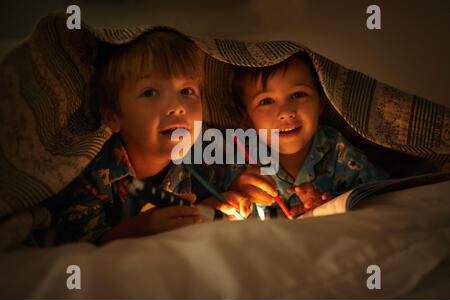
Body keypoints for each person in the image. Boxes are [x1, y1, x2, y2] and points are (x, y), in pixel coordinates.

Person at [43, 30, 249, 245]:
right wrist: (138, 230)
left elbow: (236, 181)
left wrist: (230, 193)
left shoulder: (207, 152)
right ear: (113, 116)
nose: (177, 107)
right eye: (150, 92)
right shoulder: (90, 175)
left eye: (187, 91)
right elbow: (75, 247)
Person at [229, 52, 388, 217]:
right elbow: (217, 209)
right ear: (246, 116)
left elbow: (384, 197)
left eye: (298, 95)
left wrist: (330, 206)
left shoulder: (339, 151)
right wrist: (236, 193)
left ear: (321, 102)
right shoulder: (240, 159)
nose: (286, 112)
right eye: (266, 101)